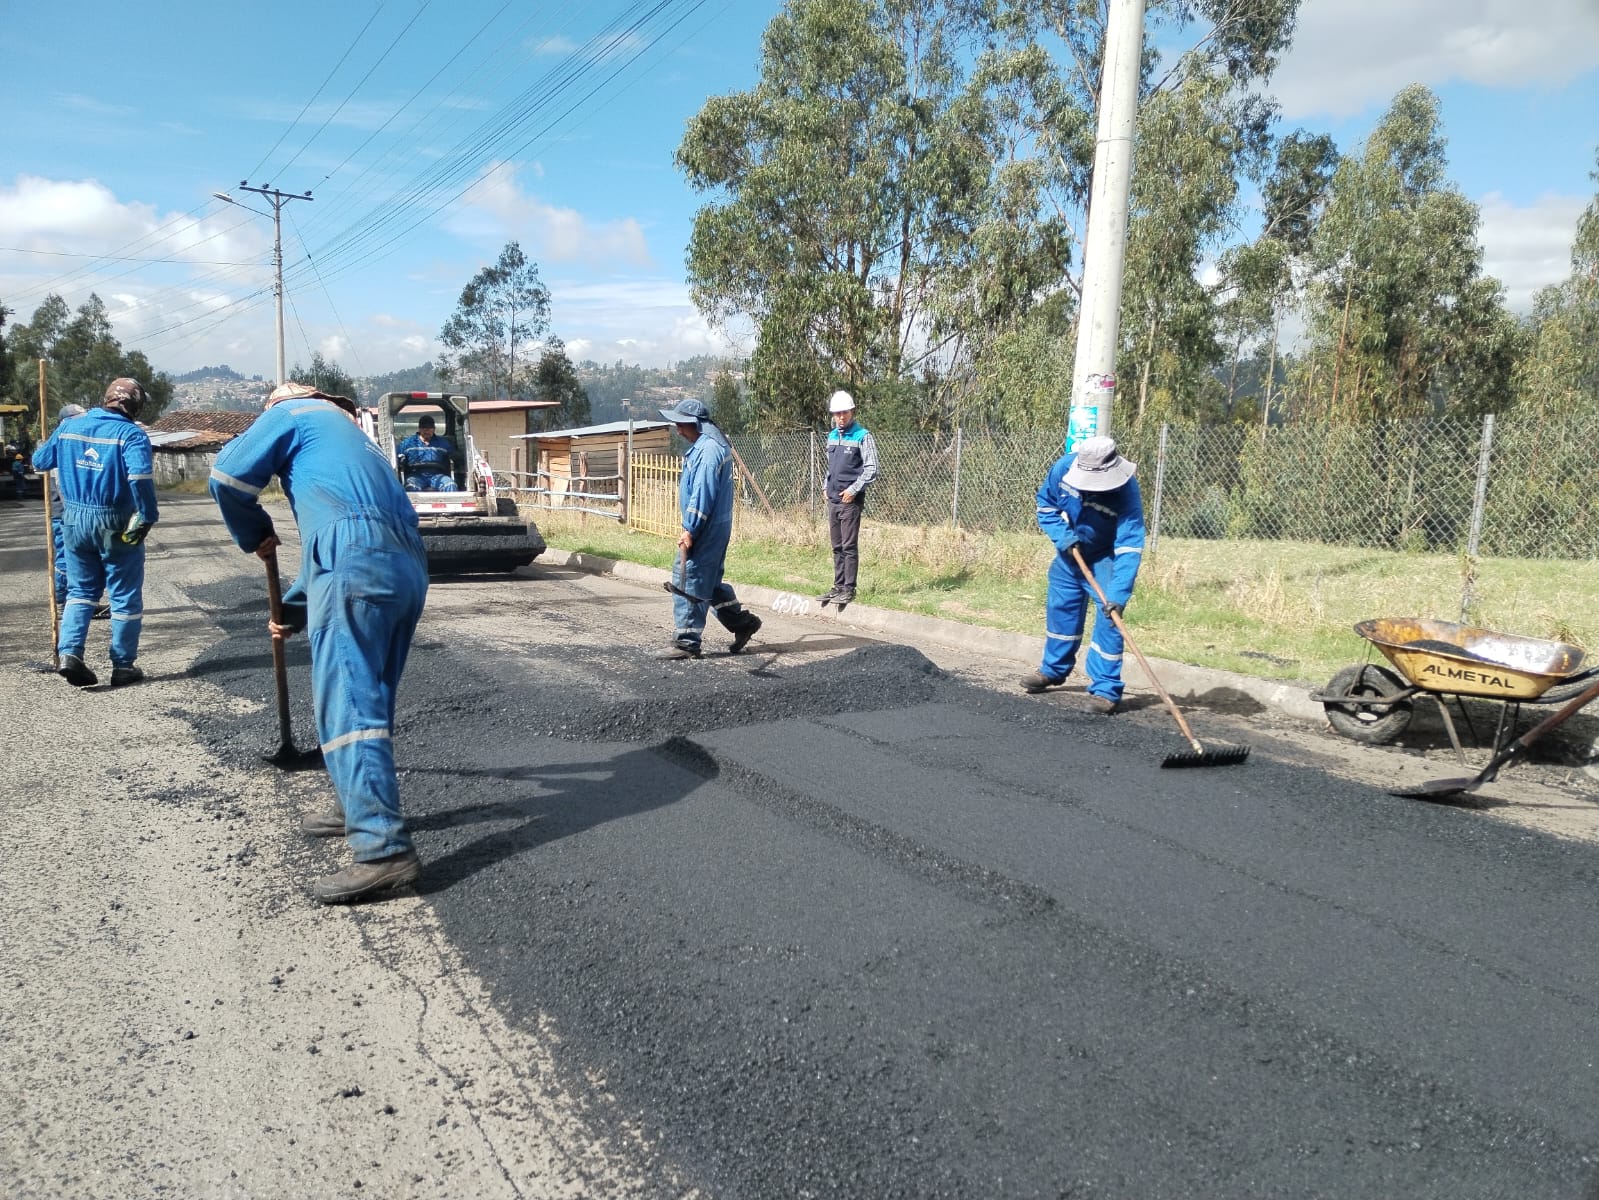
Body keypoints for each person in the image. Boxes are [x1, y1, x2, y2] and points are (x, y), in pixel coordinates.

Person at [209, 381, 429, 904]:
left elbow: (226, 477)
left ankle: (382, 849)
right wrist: (295, 609)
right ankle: (353, 804)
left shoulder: (291, 413)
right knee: (370, 693)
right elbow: (356, 529)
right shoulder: (359, 443)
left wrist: (255, 532)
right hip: (407, 564)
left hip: (356, 559)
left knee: (348, 701)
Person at [32, 379, 159, 688]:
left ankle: (69, 654)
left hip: (74, 521)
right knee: (124, 595)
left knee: (80, 592)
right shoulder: (131, 434)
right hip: (116, 522)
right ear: (135, 405)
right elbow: (140, 477)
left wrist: (59, 441)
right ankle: (123, 665)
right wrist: (147, 516)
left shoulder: (69, 426)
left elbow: (39, 462)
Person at [1021, 435, 1145, 714]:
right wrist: (1063, 537)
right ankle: (1053, 670)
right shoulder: (1062, 469)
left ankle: (1106, 690)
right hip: (1069, 555)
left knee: (1110, 618)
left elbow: (1129, 544)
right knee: (1061, 612)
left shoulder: (1126, 490)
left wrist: (1118, 594)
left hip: (1104, 559)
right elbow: (1046, 506)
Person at [658, 397, 761, 660]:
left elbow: (702, 494)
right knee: (709, 581)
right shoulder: (710, 445)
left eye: (682, 424)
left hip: (706, 529)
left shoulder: (708, 451)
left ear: (696, 423)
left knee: (689, 576)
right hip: (715, 527)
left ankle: (686, 642)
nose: (678, 430)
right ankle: (742, 624)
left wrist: (690, 529)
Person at [818, 389, 878, 609]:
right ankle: (838, 585)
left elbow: (872, 468)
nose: (841, 417)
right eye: (837, 413)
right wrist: (826, 485)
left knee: (848, 546)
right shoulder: (832, 436)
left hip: (850, 502)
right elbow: (831, 467)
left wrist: (853, 490)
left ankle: (849, 588)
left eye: (844, 412)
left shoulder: (863, 436)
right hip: (833, 500)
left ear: (852, 411)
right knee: (837, 546)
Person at [45, 403, 88, 607]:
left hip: (70, 510)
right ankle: (62, 599)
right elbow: (62, 486)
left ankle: (75, 599)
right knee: (65, 555)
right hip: (64, 511)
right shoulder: (61, 443)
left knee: (77, 557)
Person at [396, 414, 458, 492]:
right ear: (419, 429)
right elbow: (397, 459)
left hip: (437, 475)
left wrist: (455, 457)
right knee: (410, 486)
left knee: (450, 484)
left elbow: (455, 456)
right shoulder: (407, 443)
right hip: (415, 475)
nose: (427, 431)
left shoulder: (443, 443)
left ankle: (451, 500)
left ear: (434, 429)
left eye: (429, 428)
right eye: (424, 428)